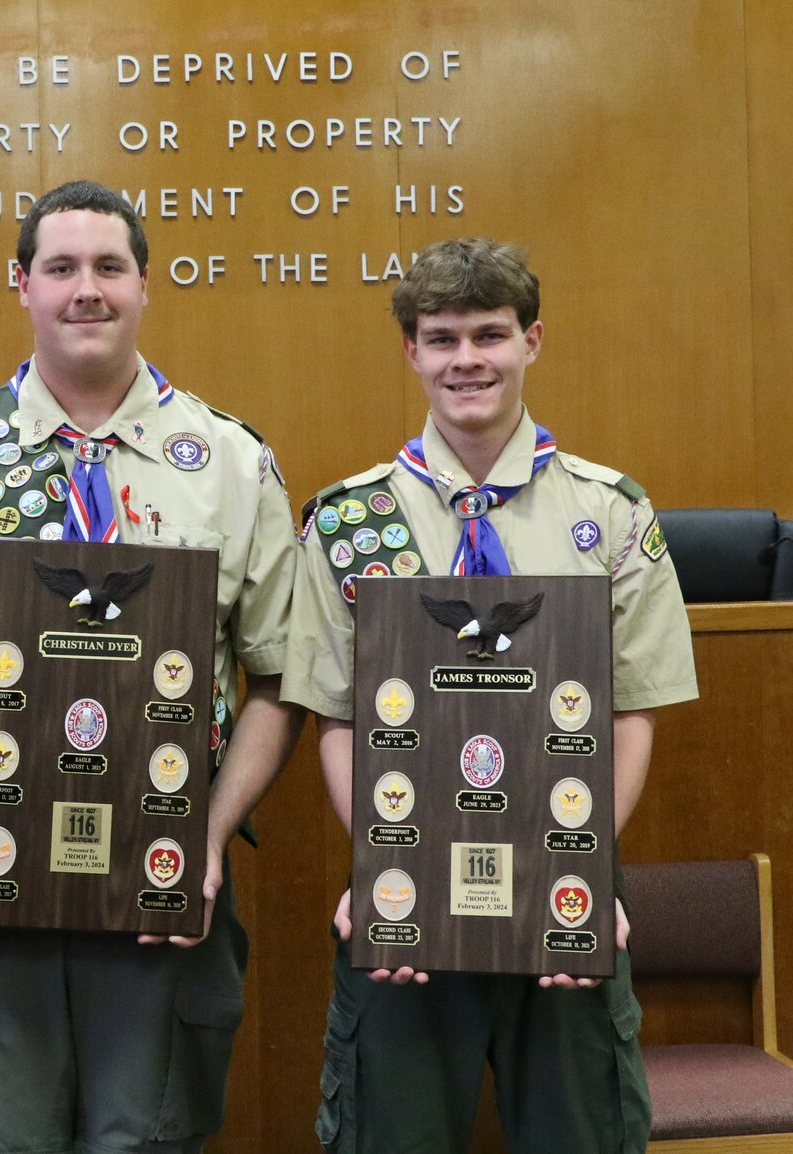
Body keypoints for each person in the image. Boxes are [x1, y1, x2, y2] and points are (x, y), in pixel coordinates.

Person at [0, 179, 303, 1154]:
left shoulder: (228, 460)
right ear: (22, 286)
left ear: (146, 284)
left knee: (148, 1139)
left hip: (163, 887)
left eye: (108, 266)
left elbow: (277, 676)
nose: (84, 289)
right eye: (61, 267)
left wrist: (211, 831)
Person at [280, 238, 699, 1153]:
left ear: (532, 340)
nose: (466, 359)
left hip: (564, 892)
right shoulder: (349, 526)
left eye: (489, 335)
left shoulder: (612, 513)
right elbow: (337, 723)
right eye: (441, 338)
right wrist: (383, 872)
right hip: (406, 904)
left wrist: (580, 866)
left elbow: (632, 715)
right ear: (411, 352)